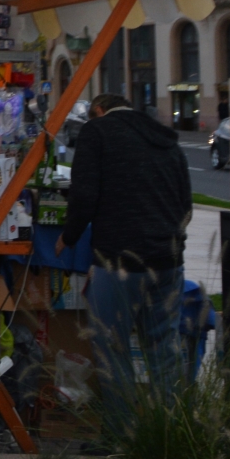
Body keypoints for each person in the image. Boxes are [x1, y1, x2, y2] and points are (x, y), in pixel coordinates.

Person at [57, 92, 191, 419]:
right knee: (164, 352)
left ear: (98, 111)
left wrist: (68, 237)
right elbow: (185, 203)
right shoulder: (166, 139)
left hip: (118, 260)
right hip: (167, 261)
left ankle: (122, 437)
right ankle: (171, 434)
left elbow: (84, 194)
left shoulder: (97, 131)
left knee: (112, 351)